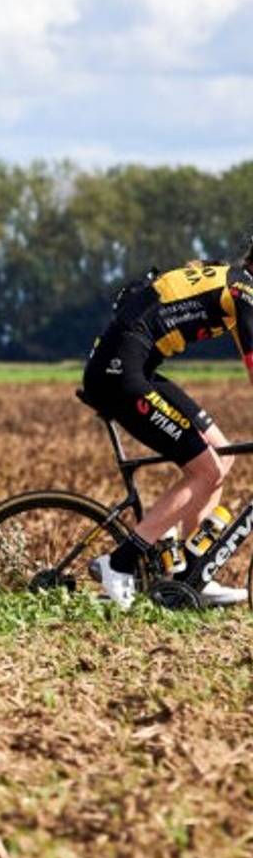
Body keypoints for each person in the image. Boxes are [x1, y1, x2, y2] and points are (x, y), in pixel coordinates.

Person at [81, 244, 253, 608]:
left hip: (132, 367)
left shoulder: (232, 283)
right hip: (120, 374)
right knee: (206, 470)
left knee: (221, 454)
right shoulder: (243, 291)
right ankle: (119, 563)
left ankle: (192, 576)